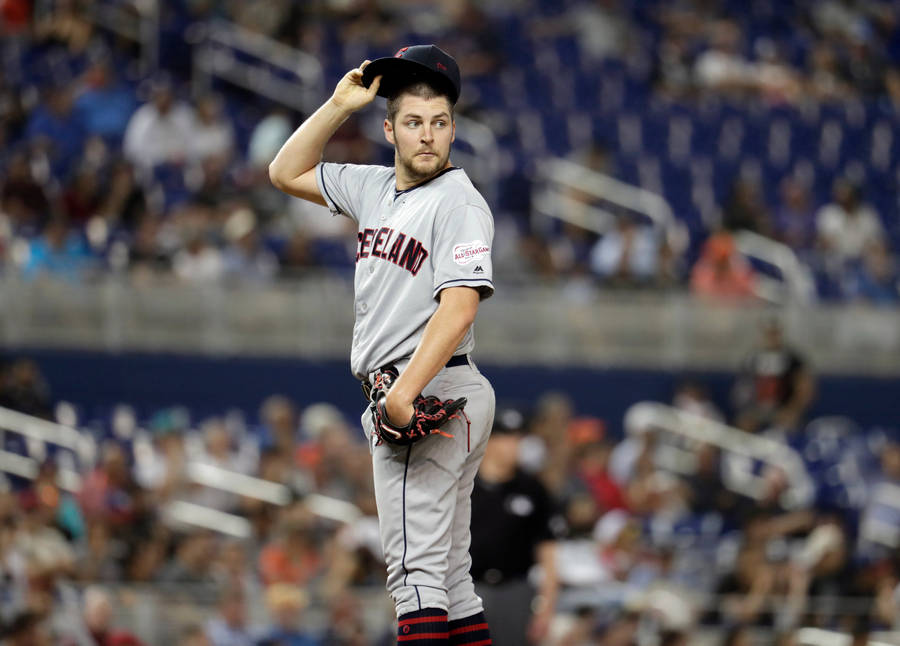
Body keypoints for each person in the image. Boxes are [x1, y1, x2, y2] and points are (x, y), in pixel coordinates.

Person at [269, 45, 496, 645]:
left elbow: (461, 304)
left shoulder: (460, 202)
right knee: (449, 575)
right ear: (390, 129)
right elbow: (285, 172)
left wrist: (404, 393)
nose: (428, 136)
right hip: (438, 387)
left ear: (454, 131)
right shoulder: (372, 186)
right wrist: (338, 106)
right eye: (415, 123)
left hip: (428, 389)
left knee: (415, 578)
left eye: (440, 123)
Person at [469, 409, 561, 646]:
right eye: (506, 437)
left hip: (515, 589)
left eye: (518, 438)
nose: (515, 445)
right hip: (466, 587)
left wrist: (546, 607)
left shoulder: (532, 489)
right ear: (488, 440)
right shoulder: (464, 485)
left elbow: (548, 553)